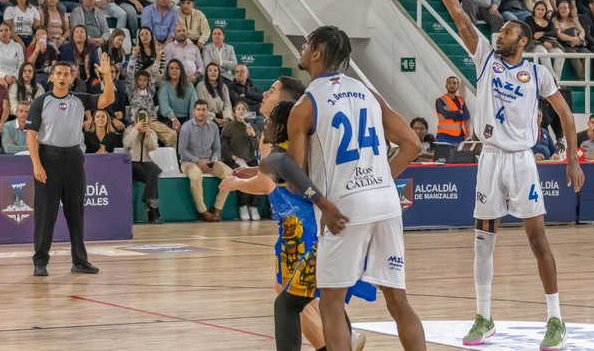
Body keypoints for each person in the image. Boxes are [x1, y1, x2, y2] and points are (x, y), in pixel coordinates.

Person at [417, 0, 583, 349]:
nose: (500, 35)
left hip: (522, 161)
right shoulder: (485, 59)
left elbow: (565, 115)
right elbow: (460, 16)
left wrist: (572, 158)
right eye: (501, 31)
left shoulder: (537, 73)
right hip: (489, 159)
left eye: (507, 32)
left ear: (522, 40)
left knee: (538, 239)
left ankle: (556, 319)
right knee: (482, 242)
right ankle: (483, 317)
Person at [286, 25, 426, 351]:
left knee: (330, 303)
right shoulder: (367, 92)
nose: (302, 50)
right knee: (398, 301)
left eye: (306, 45)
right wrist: (380, 179)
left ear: (317, 53)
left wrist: (318, 199)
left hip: (345, 207)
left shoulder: (305, 105)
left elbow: (296, 178)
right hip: (386, 201)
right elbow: (412, 144)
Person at [220, 83, 372, 351]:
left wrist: (237, 183)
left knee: (291, 299)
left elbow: (271, 180)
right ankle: (339, 341)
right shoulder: (299, 139)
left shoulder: (281, 140)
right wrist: (254, 171)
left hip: (301, 229)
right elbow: (278, 172)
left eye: (274, 90)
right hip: (309, 224)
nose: (266, 93)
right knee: (308, 294)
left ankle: (340, 342)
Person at [26, 59, 115, 276]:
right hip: (49, 157)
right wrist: (37, 164)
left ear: (72, 78)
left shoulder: (80, 100)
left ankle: (80, 261)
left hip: (74, 157)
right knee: (45, 214)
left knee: (76, 213)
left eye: (67, 74)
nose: (63, 77)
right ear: (51, 77)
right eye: (59, 73)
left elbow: (108, 99)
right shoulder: (40, 102)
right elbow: (31, 136)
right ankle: (40, 262)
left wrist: (106, 75)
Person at [177, 100, 232, 222]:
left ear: (208, 111)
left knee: (230, 174)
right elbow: (182, 150)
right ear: (194, 111)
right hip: (189, 162)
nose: (201, 112)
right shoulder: (186, 127)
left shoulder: (213, 127)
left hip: (209, 160)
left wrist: (214, 159)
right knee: (196, 176)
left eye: (204, 110)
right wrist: (197, 161)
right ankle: (203, 211)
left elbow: (217, 148)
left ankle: (217, 209)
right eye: (198, 110)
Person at [434, 76, 469, 145]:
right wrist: (459, 112)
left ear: (458, 86)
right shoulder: (440, 101)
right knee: (442, 156)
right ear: (446, 85)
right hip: (443, 136)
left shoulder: (461, 100)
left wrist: (454, 118)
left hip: (459, 137)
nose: (452, 85)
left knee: (457, 156)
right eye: (449, 83)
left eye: (454, 83)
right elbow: (446, 115)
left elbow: (466, 116)